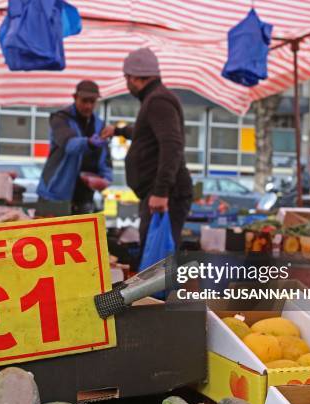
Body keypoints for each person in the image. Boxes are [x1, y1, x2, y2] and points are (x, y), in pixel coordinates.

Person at [101, 47, 193, 252]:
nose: (127, 84)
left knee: (157, 262)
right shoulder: (156, 99)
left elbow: (172, 145)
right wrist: (119, 131)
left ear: (134, 77)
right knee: (155, 257)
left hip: (165, 194)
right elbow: (147, 135)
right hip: (159, 192)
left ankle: (165, 286)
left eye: (126, 78)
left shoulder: (158, 100)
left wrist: (161, 191)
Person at [37, 80, 113, 214]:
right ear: (75, 97)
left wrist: (106, 179)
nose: (88, 106)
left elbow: (105, 159)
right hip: (54, 196)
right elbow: (69, 145)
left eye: (92, 101)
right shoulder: (60, 119)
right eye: (84, 101)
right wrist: (89, 143)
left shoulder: (100, 125)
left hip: (85, 198)